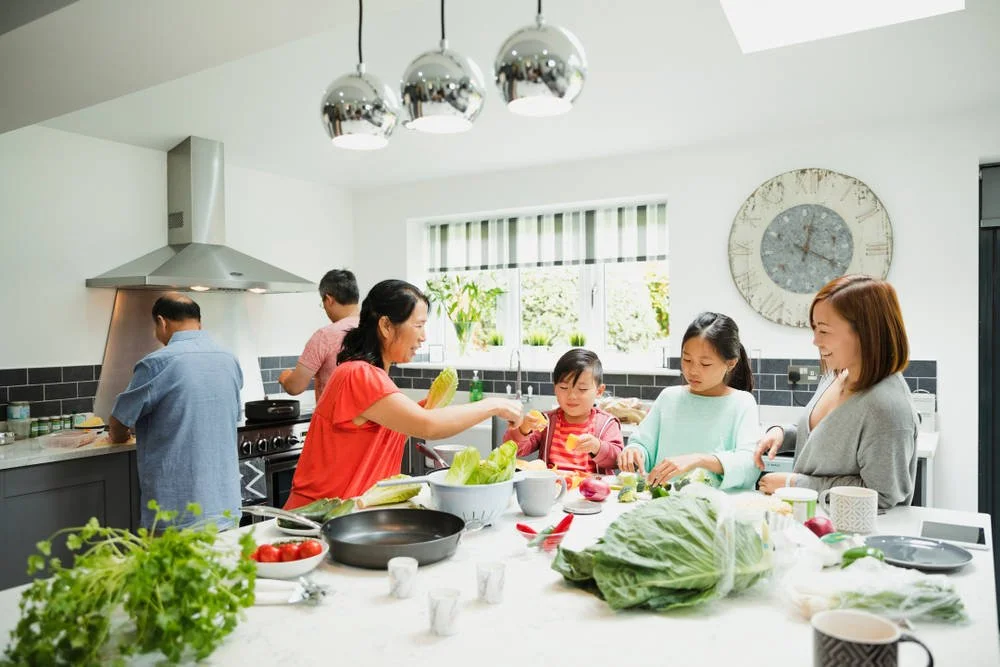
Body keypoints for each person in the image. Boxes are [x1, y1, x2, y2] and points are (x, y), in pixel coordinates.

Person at [285, 279, 524, 508]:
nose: (424, 336)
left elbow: (416, 421)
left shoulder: (371, 378)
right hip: (316, 523)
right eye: (418, 325)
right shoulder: (357, 375)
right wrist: (494, 405)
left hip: (348, 518)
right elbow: (427, 425)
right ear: (386, 326)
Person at [755, 275, 918, 509]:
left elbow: (881, 496)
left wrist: (795, 483)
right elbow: (823, 436)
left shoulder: (887, 409)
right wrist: (782, 434)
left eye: (824, 330)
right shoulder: (837, 373)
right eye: (814, 329)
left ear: (865, 332)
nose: (815, 341)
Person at [108, 293, 243, 529]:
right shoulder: (229, 359)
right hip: (226, 506)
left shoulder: (157, 363)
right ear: (199, 322)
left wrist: (120, 437)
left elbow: (119, 422)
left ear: (161, 322)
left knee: (171, 567)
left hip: (177, 512)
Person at [618, 312, 760, 490]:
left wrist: (698, 460)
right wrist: (635, 452)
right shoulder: (669, 398)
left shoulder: (742, 403)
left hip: (717, 509)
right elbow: (643, 445)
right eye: (687, 360)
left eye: (705, 364)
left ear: (730, 363)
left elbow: (749, 465)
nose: (692, 371)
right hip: (663, 504)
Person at [502, 348, 623, 474]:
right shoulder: (546, 422)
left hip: (590, 491)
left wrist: (597, 446)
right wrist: (523, 428)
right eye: (564, 387)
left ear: (599, 391)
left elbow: (616, 460)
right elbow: (514, 450)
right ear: (555, 388)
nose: (572, 396)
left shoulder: (607, 423)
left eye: (582, 389)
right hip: (552, 489)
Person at [279, 269, 360, 403]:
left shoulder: (325, 336)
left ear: (329, 300)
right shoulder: (374, 329)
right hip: (369, 420)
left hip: (334, 420)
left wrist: (285, 378)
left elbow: (295, 387)